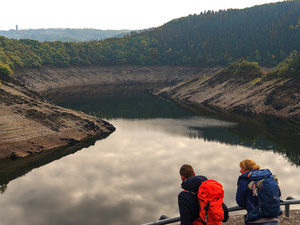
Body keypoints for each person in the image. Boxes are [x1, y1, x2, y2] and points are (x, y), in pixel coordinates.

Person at [236, 159, 280, 225]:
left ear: (247, 170)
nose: (240, 170)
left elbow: (240, 202)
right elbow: (278, 194)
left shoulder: (244, 181)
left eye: (242, 168)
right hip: (273, 217)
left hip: (256, 219)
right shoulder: (267, 177)